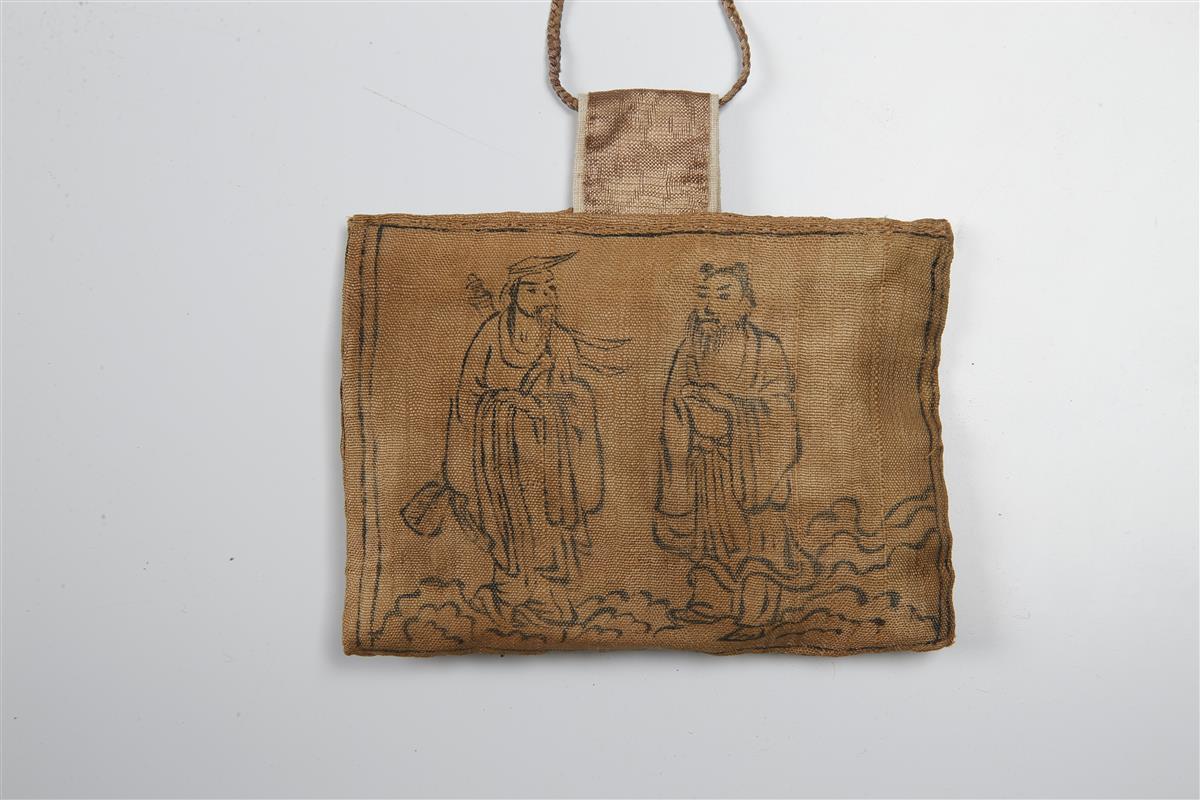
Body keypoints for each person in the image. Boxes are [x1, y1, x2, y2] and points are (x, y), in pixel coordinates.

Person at [401, 252, 625, 627]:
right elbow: (468, 394)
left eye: (548, 289)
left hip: (550, 452)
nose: (543, 297)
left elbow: (573, 393)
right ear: (514, 292)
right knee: (506, 518)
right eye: (533, 289)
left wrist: (553, 404)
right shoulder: (492, 334)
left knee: (546, 521)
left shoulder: (559, 341)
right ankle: (511, 589)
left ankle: (546, 591)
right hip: (498, 449)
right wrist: (506, 405)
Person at [654, 262, 806, 638]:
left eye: (722, 297)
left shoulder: (765, 348)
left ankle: (758, 611)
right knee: (710, 536)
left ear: (745, 304)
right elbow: (672, 405)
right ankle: (711, 601)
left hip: (755, 464)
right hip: (706, 464)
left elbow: (780, 410)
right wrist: (686, 422)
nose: (708, 307)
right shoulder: (690, 349)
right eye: (703, 296)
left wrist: (728, 408)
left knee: (759, 537)